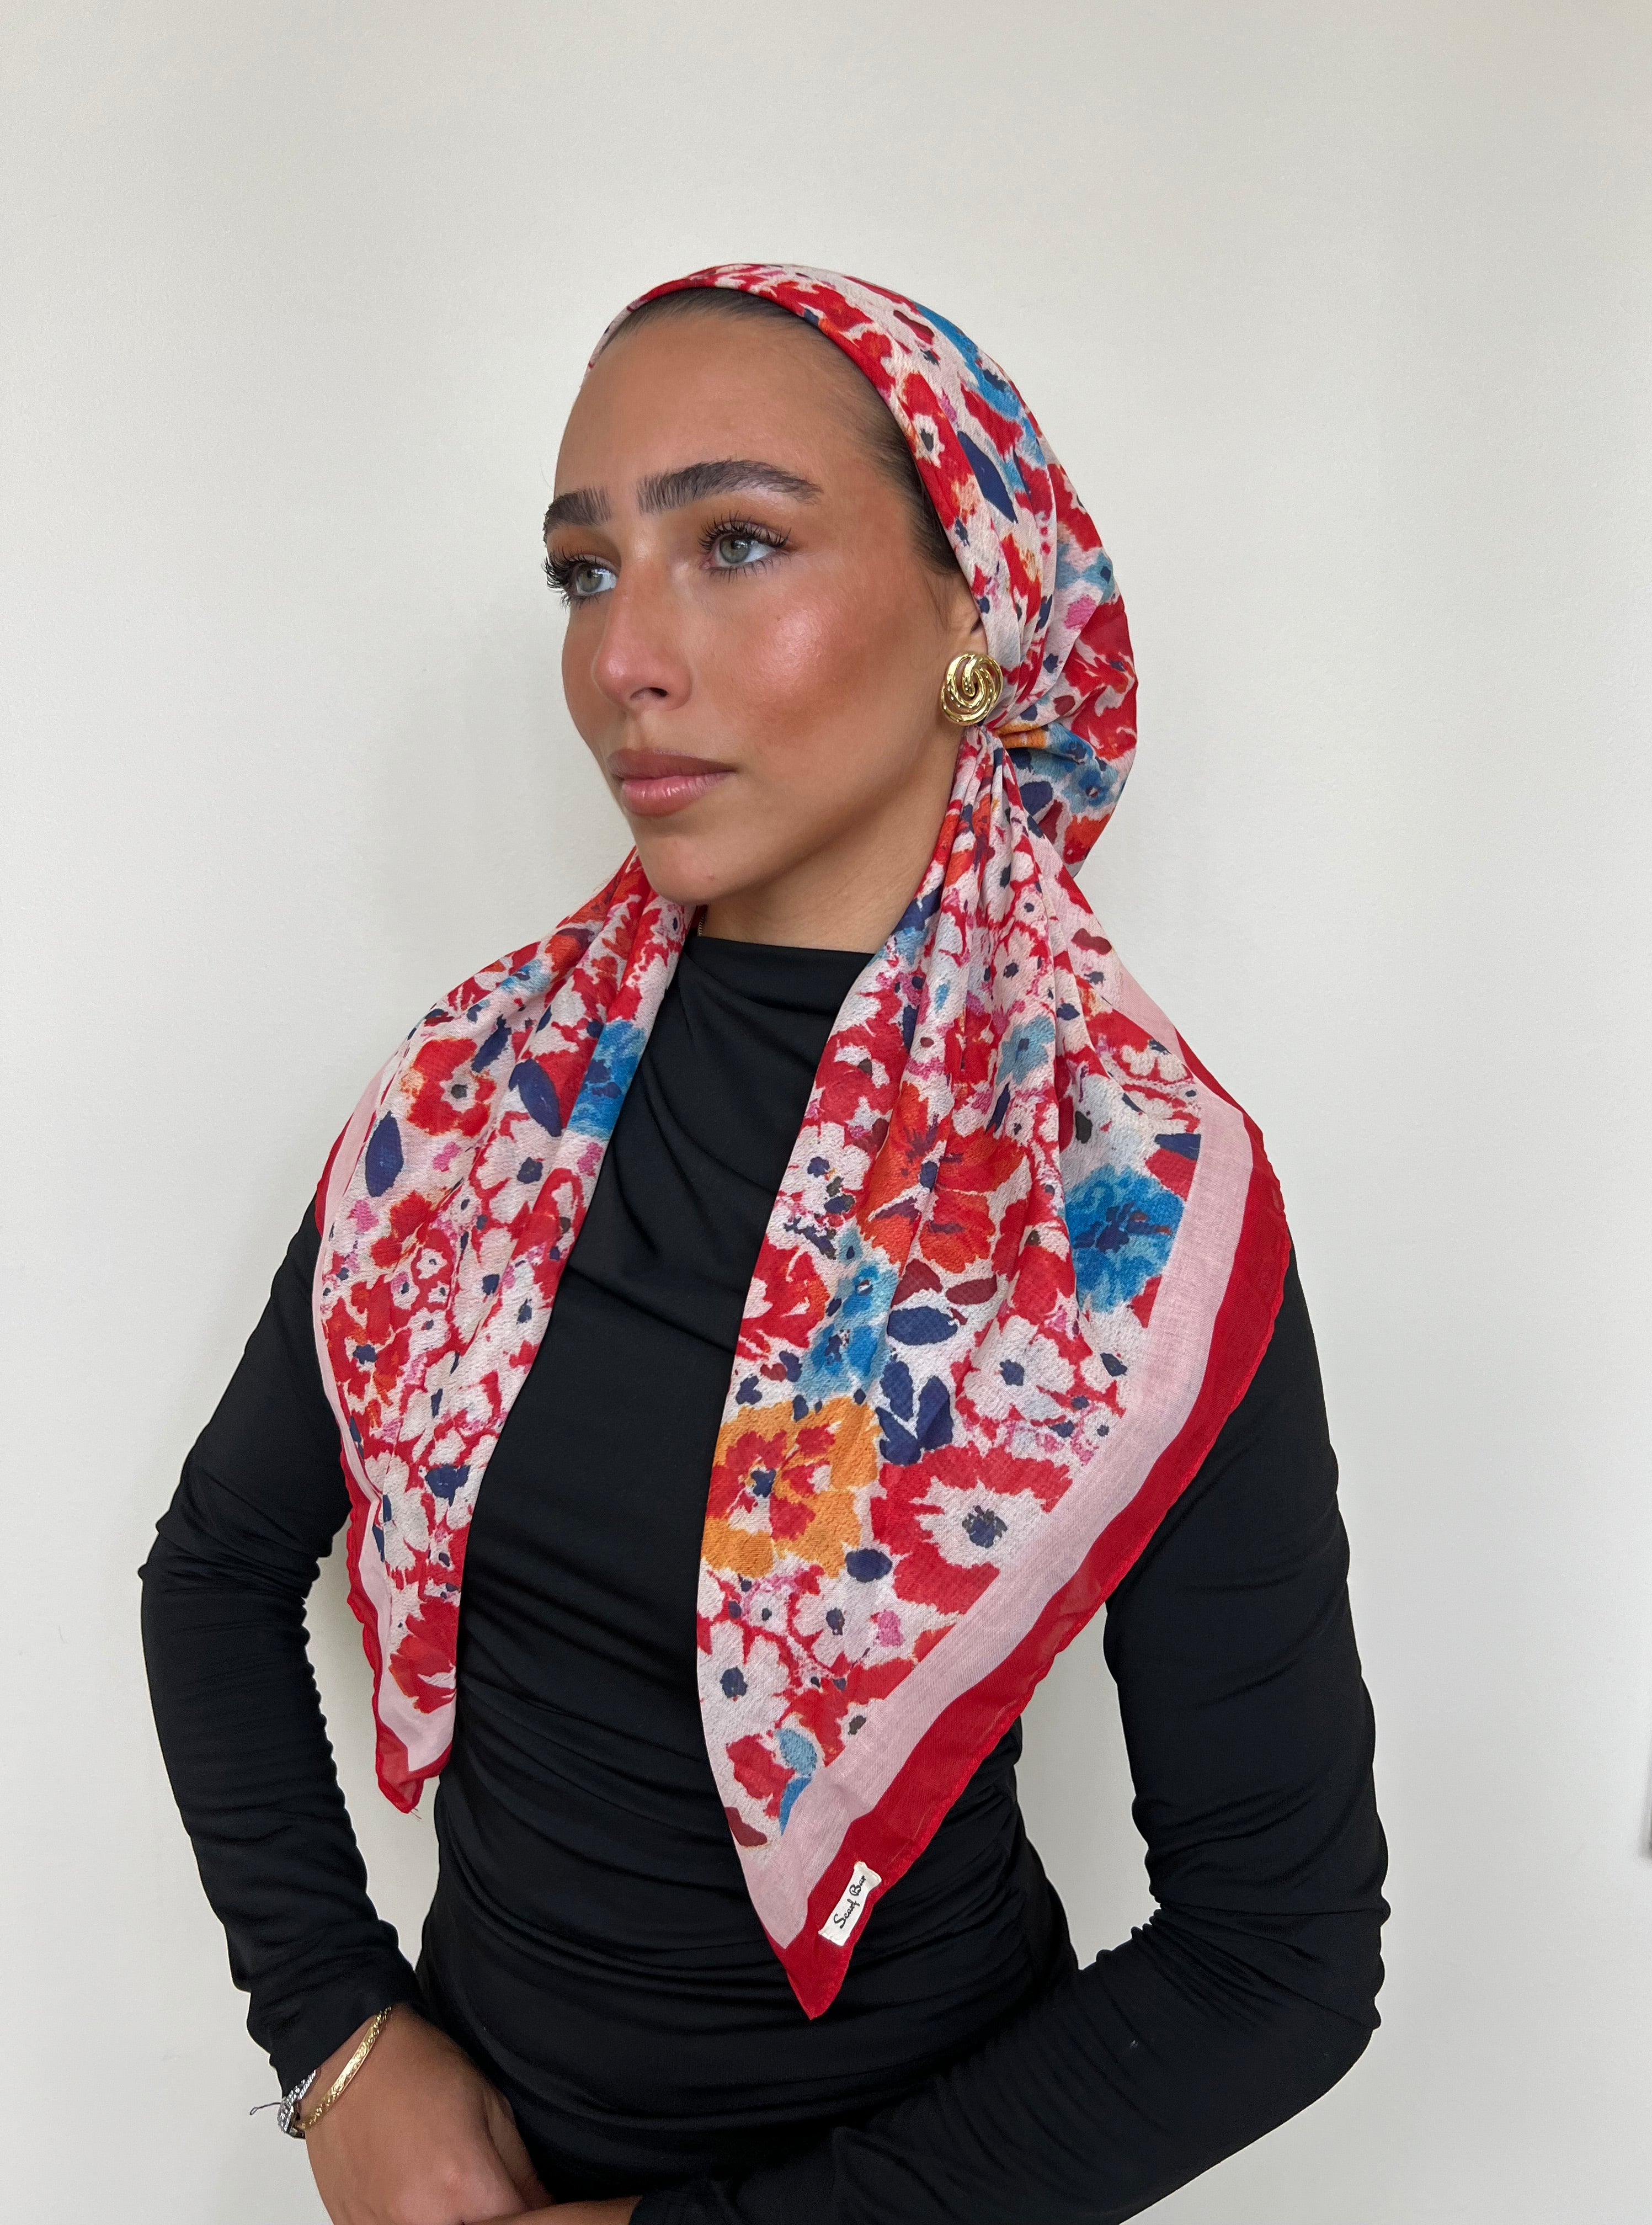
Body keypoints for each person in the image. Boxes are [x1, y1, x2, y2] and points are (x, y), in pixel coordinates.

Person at [142, 264, 1388, 2225]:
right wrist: (341, 2041)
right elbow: (217, 1575)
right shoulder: (480, 1103)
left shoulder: (1129, 1206)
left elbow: (1276, 1958)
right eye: (583, 572)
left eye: (734, 542)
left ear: (975, 606)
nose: (624, 656)